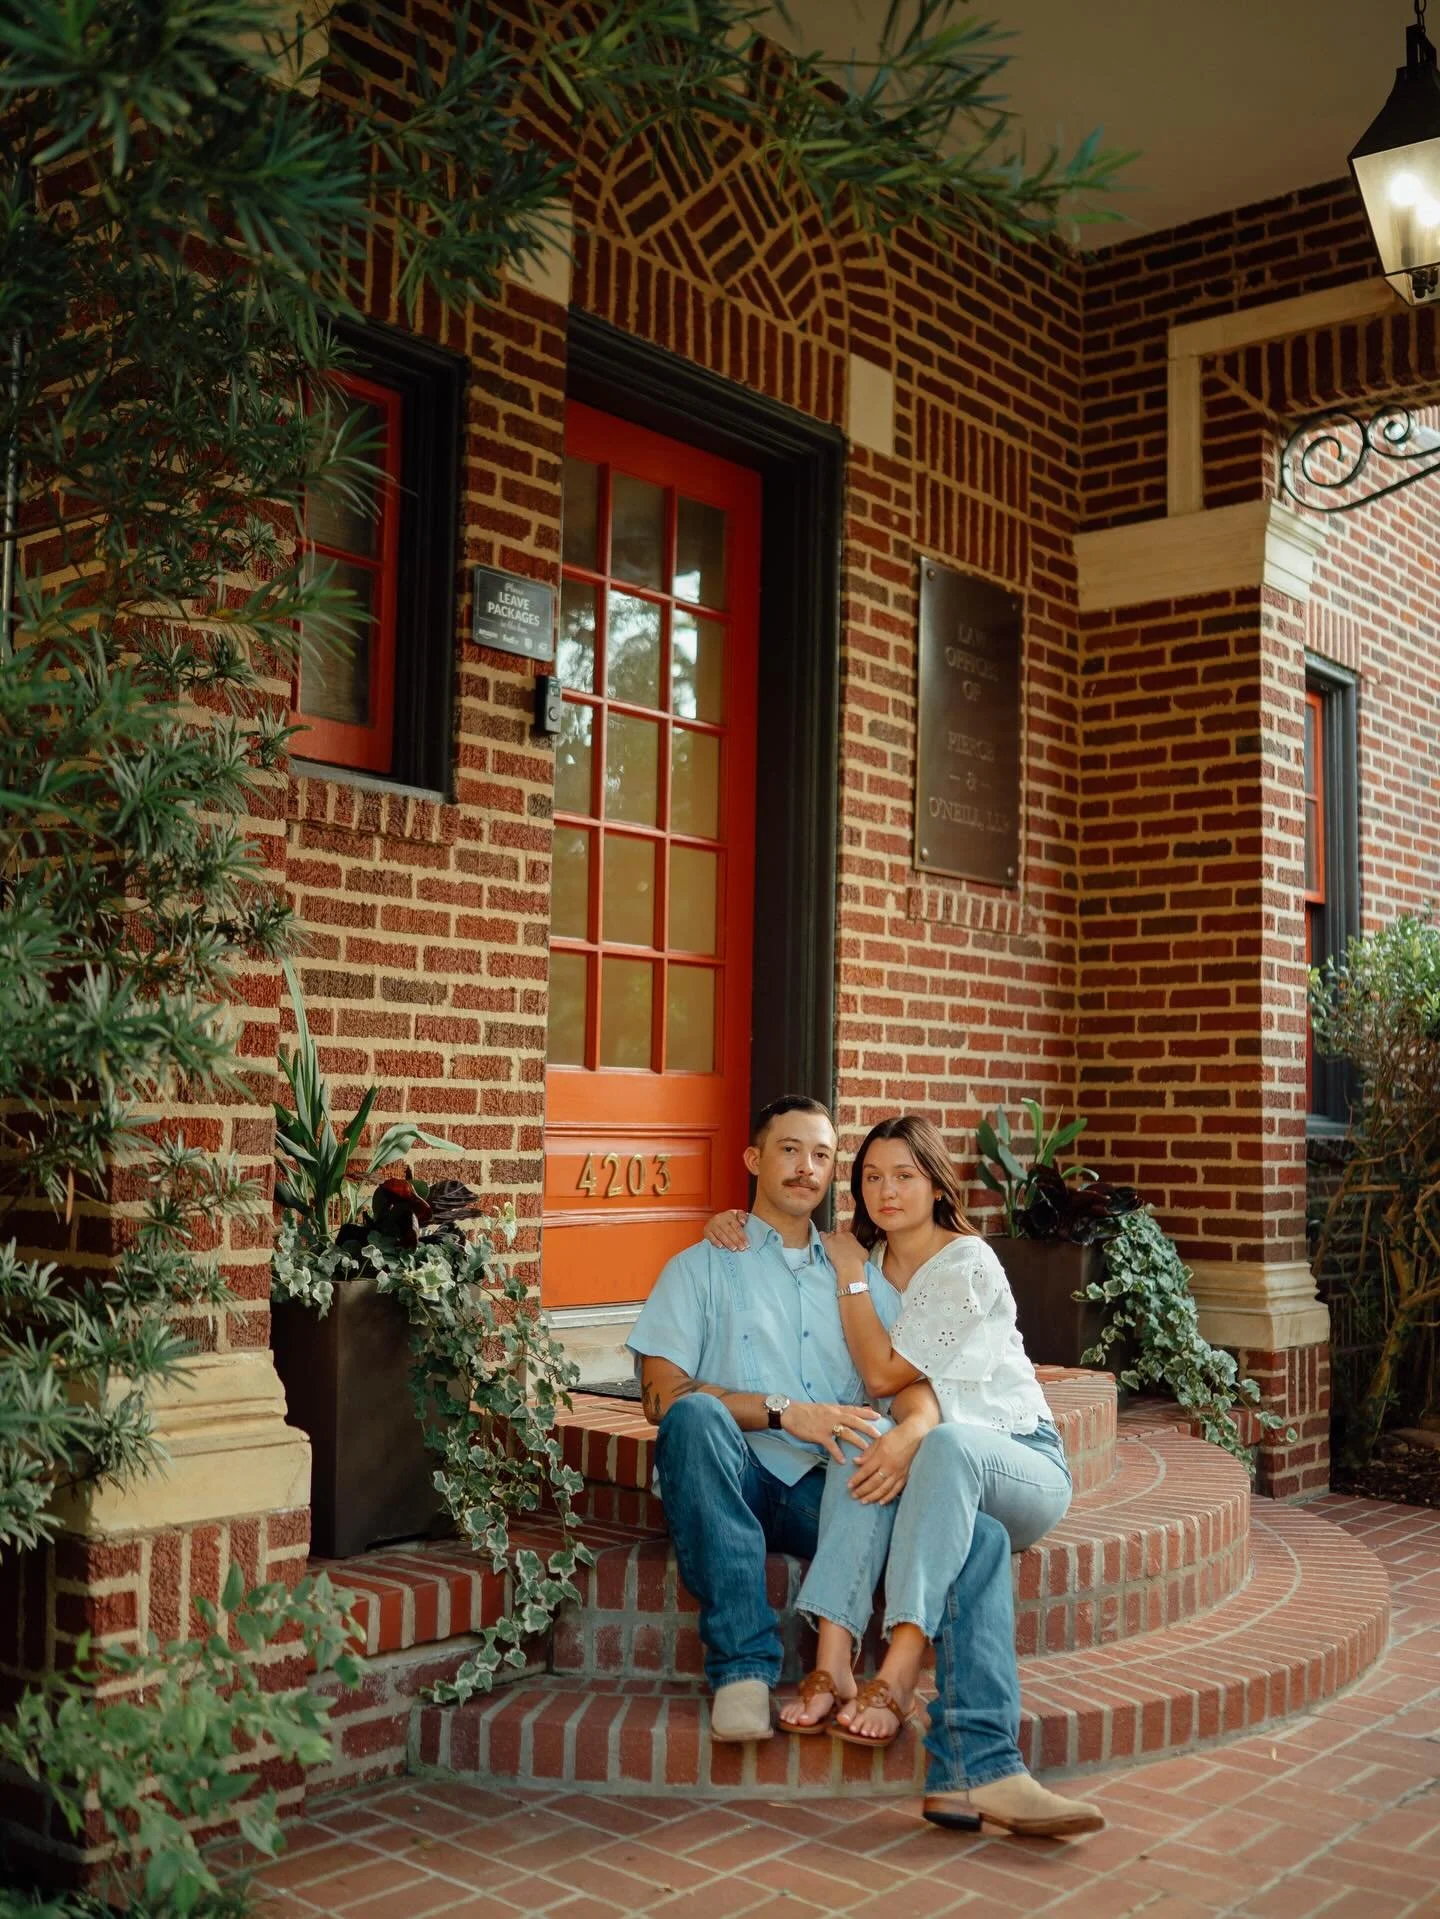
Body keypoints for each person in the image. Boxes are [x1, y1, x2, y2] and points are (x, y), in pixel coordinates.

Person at [636, 1096, 1104, 1838]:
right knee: (695, 1418)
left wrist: (911, 1431)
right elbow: (662, 1394)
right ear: (754, 1160)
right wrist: (791, 1411)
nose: (805, 1167)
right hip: (734, 1475)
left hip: (832, 1489)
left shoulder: (860, 1266)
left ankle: (977, 1765)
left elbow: (915, 1385)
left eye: (821, 1155)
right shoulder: (704, 1262)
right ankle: (745, 1667)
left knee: (977, 1536)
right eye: (789, 1150)